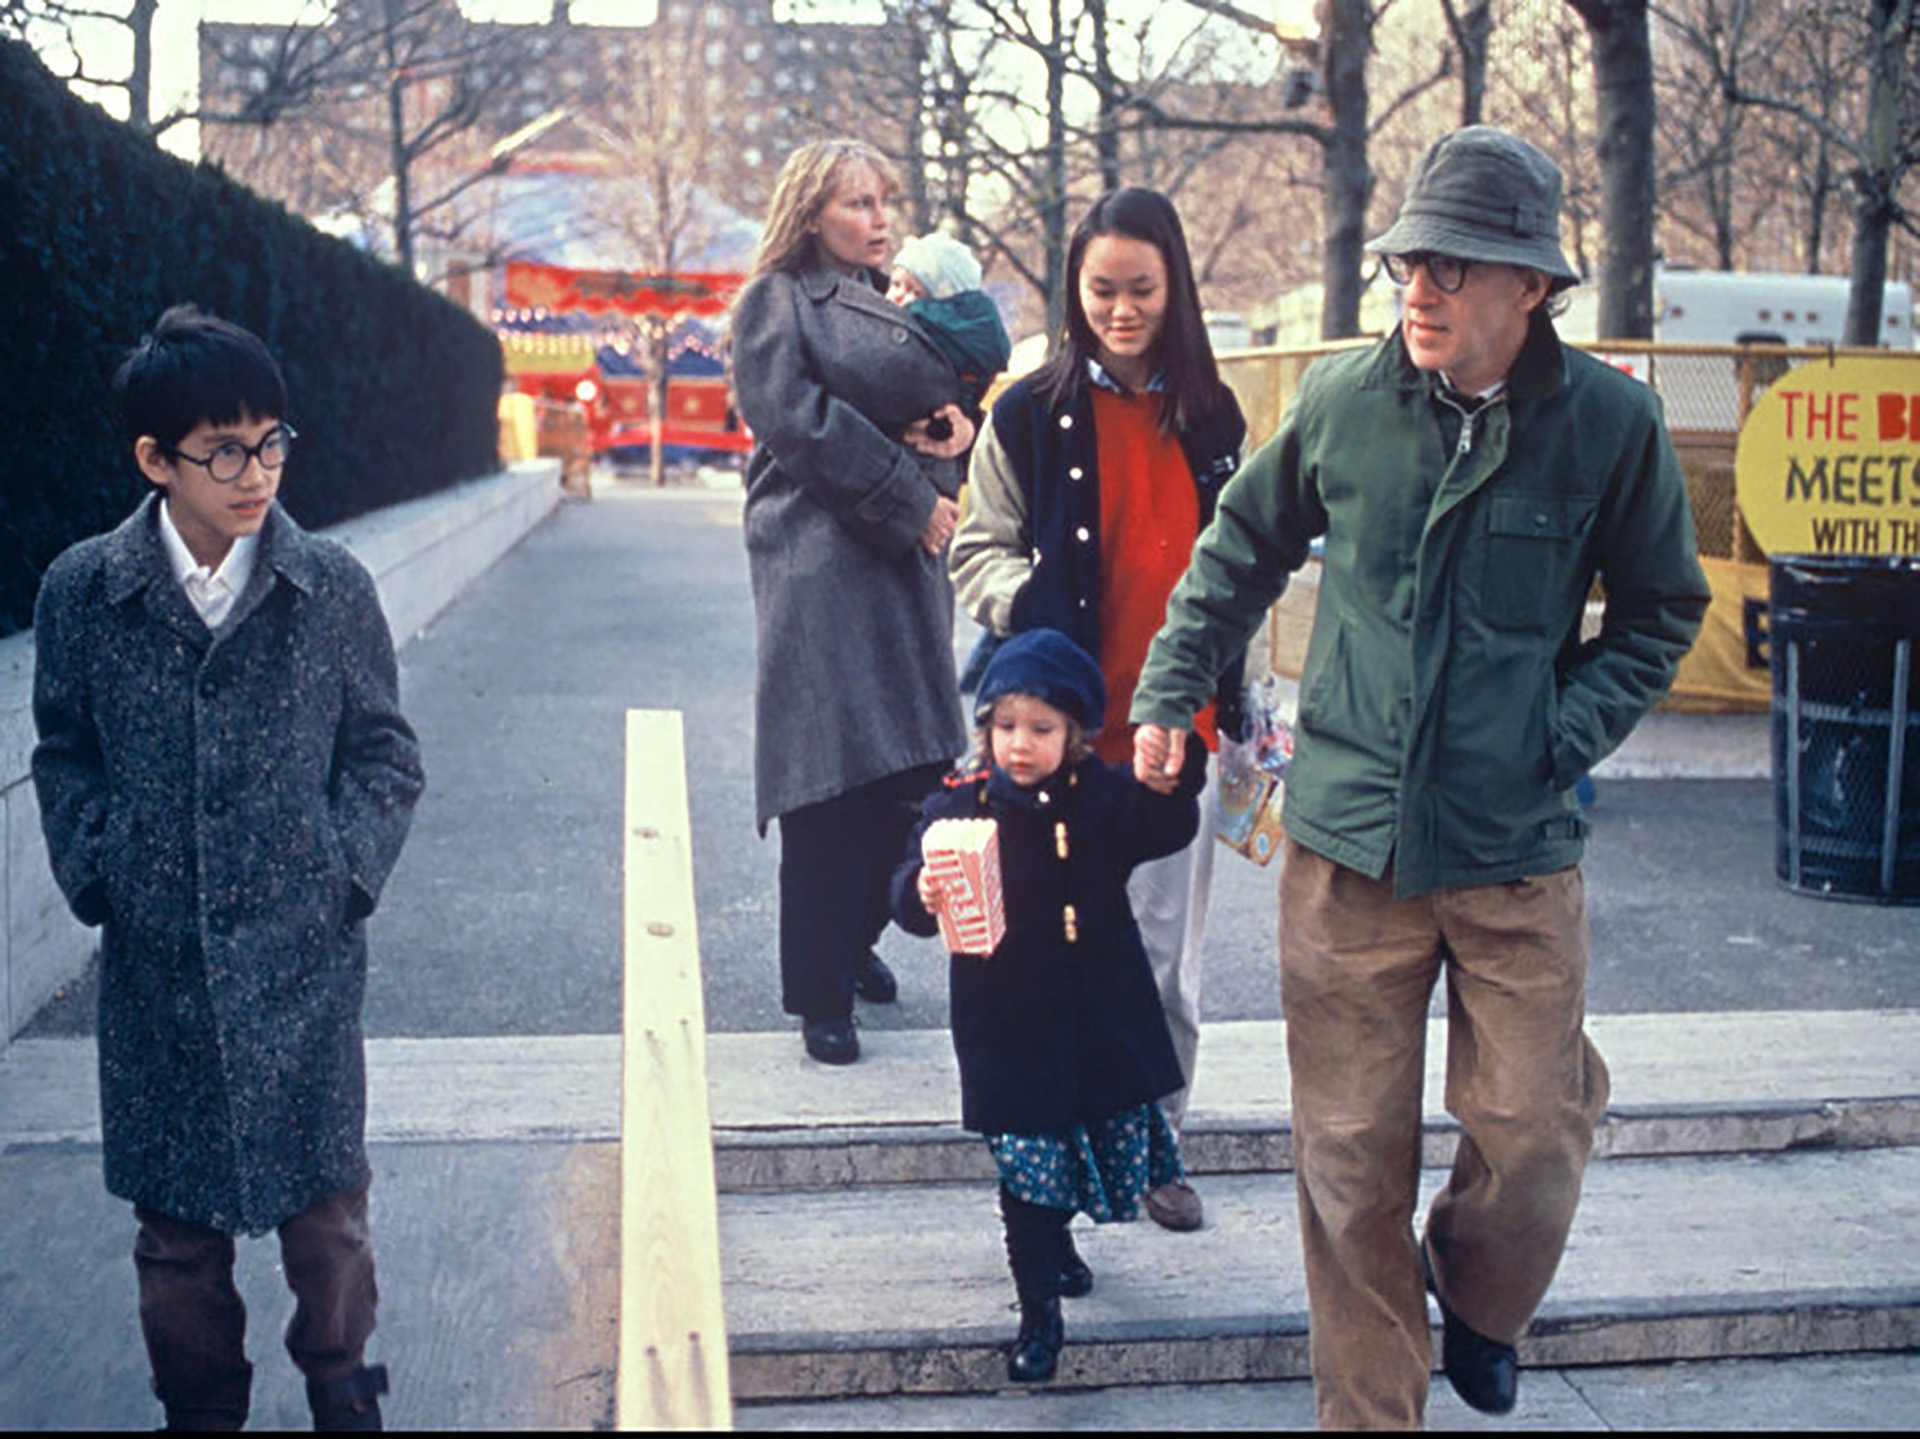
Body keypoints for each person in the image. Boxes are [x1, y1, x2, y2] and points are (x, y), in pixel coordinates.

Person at [1129, 126, 1711, 1428]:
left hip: (1516, 846)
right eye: (1408, 264)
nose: (1420, 290)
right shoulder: (1343, 399)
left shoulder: (1612, 424)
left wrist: (1560, 730)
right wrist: (1171, 690)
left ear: (1534, 289)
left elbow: (1668, 606)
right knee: (1346, 1165)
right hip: (1344, 850)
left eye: (1456, 267)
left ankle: (1484, 1297)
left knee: (1538, 1128)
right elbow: (1238, 552)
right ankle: (1372, 1412)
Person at [30, 304, 425, 1431]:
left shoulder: (330, 584)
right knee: (176, 1240)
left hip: (304, 959)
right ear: (154, 458)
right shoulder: (84, 593)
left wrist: (345, 872)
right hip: (158, 969)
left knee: (329, 1216)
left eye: (271, 440)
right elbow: (64, 749)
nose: (256, 472)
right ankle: (200, 1406)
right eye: (224, 450)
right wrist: (101, 872)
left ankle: (346, 1382)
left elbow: (386, 751)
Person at [949, 186, 1247, 1233]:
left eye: (1144, 290)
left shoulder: (1214, 416)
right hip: (1054, 746)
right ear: (1074, 291)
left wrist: (1242, 713)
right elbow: (973, 549)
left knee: (1164, 964)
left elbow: (1243, 571)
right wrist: (1029, 605)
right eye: (1102, 290)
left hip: (1176, 740)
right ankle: (1055, 1165)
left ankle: (1161, 1142)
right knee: (1047, 957)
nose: (1123, 311)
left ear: (1178, 289)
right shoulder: (1027, 411)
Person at [890, 629, 1204, 1385]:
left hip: (1096, 1017)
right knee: (1026, 1167)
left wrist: (1175, 770)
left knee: (1077, 1150)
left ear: (1076, 733)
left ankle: (1059, 1247)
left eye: (1041, 729)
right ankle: (1040, 1317)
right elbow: (905, 882)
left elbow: (1169, 823)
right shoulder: (960, 804)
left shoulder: (1103, 798)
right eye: (1004, 727)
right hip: (1006, 1025)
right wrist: (921, 892)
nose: (1020, 745)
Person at [729, 139, 976, 1066]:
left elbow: (935, 408)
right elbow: (797, 423)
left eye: (883, 202)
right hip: (822, 568)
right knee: (829, 785)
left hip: (901, 566)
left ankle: (858, 933)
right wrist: (911, 499)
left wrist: (960, 429)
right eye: (858, 204)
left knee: (908, 775)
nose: (880, 219)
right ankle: (820, 990)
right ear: (810, 215)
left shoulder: (890, 301)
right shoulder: (774, 301)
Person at [885, 230, 1014, 416]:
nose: (897, 295)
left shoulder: (929, 333)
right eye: (896, 284)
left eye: (915, 293)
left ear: (944, 305)